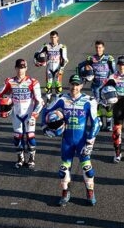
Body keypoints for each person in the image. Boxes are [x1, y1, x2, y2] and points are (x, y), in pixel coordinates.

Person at [42, 74, 101, 206]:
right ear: (69, 84)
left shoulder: (89, 100)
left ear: (82, 85)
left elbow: (96, 123)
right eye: (72, 84)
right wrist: (44, 127)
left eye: (77, 84)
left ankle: (90, 192)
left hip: (82, 141)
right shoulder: (62, 99)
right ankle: (65, 193)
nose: (74, 87)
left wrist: (90, 141)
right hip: (67, 141)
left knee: (87, 169)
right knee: (63, 170)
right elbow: (46, 110)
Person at [0, 58, 44, 169]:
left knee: (30, 136)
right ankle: (20, 158)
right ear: (15, 68)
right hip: (15, 113)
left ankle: (31, 158)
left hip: (29, 114)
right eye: (18, 67)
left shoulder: (33, 82)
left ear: (26, 68)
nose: (20, 70)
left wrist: (34, 114)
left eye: (22, 68)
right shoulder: (9, 81)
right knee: (17, 137)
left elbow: (40, 101)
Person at [76, 40, 115, 131]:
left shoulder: (109, 58)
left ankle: (109, 125)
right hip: (95, 86)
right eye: (96, 47)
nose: (98, 49)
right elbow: (79, 66)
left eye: (100, 47)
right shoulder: (91, 58)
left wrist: (114, 84)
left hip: (106, 86)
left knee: (108, 106)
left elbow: (114, 73)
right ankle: (100, 124)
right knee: (97, 105)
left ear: (103, 48)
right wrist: (81, 78)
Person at [35, 31, 68, 102]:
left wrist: (61, 69)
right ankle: (48, 100)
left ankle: (58, 99)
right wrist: (38, 62)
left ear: (57, 38)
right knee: (48, 85)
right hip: (49, 68)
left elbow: (65, 59)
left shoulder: (62, 47)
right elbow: (37, 54)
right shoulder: (46, 46)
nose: (53, 39)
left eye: (54, 37)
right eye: (52, 37)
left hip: (58, 68)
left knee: (58, 85)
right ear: (50, 38)